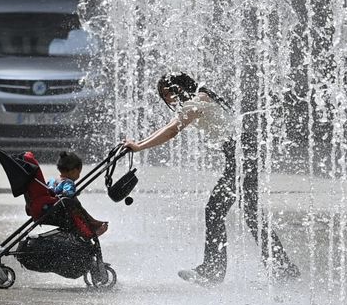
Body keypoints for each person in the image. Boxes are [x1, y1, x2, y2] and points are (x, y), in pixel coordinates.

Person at [124, 72, 300, 285]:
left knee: (215, 210)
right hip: (243, 153)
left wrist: (139, 147)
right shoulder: (197, 100)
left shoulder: (199, 100)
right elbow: (169, 126)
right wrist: (138, 144)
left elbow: (171, 131)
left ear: (180, 87)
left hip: (241, 153)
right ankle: (282, 267)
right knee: (249, 212)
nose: (168, 99)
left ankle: (213, 270)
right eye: (164, 95)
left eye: (169, 92)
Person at [47, 151, 109, 238]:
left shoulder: (52, 180)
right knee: (76, 204)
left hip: (51, 206)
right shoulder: (68, 182)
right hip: (62, 210)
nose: (79, 175)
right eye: (79, 172)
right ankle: (90, 228)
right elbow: (67, 193)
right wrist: (74, 192)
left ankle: (91, 222)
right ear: (73, 171)